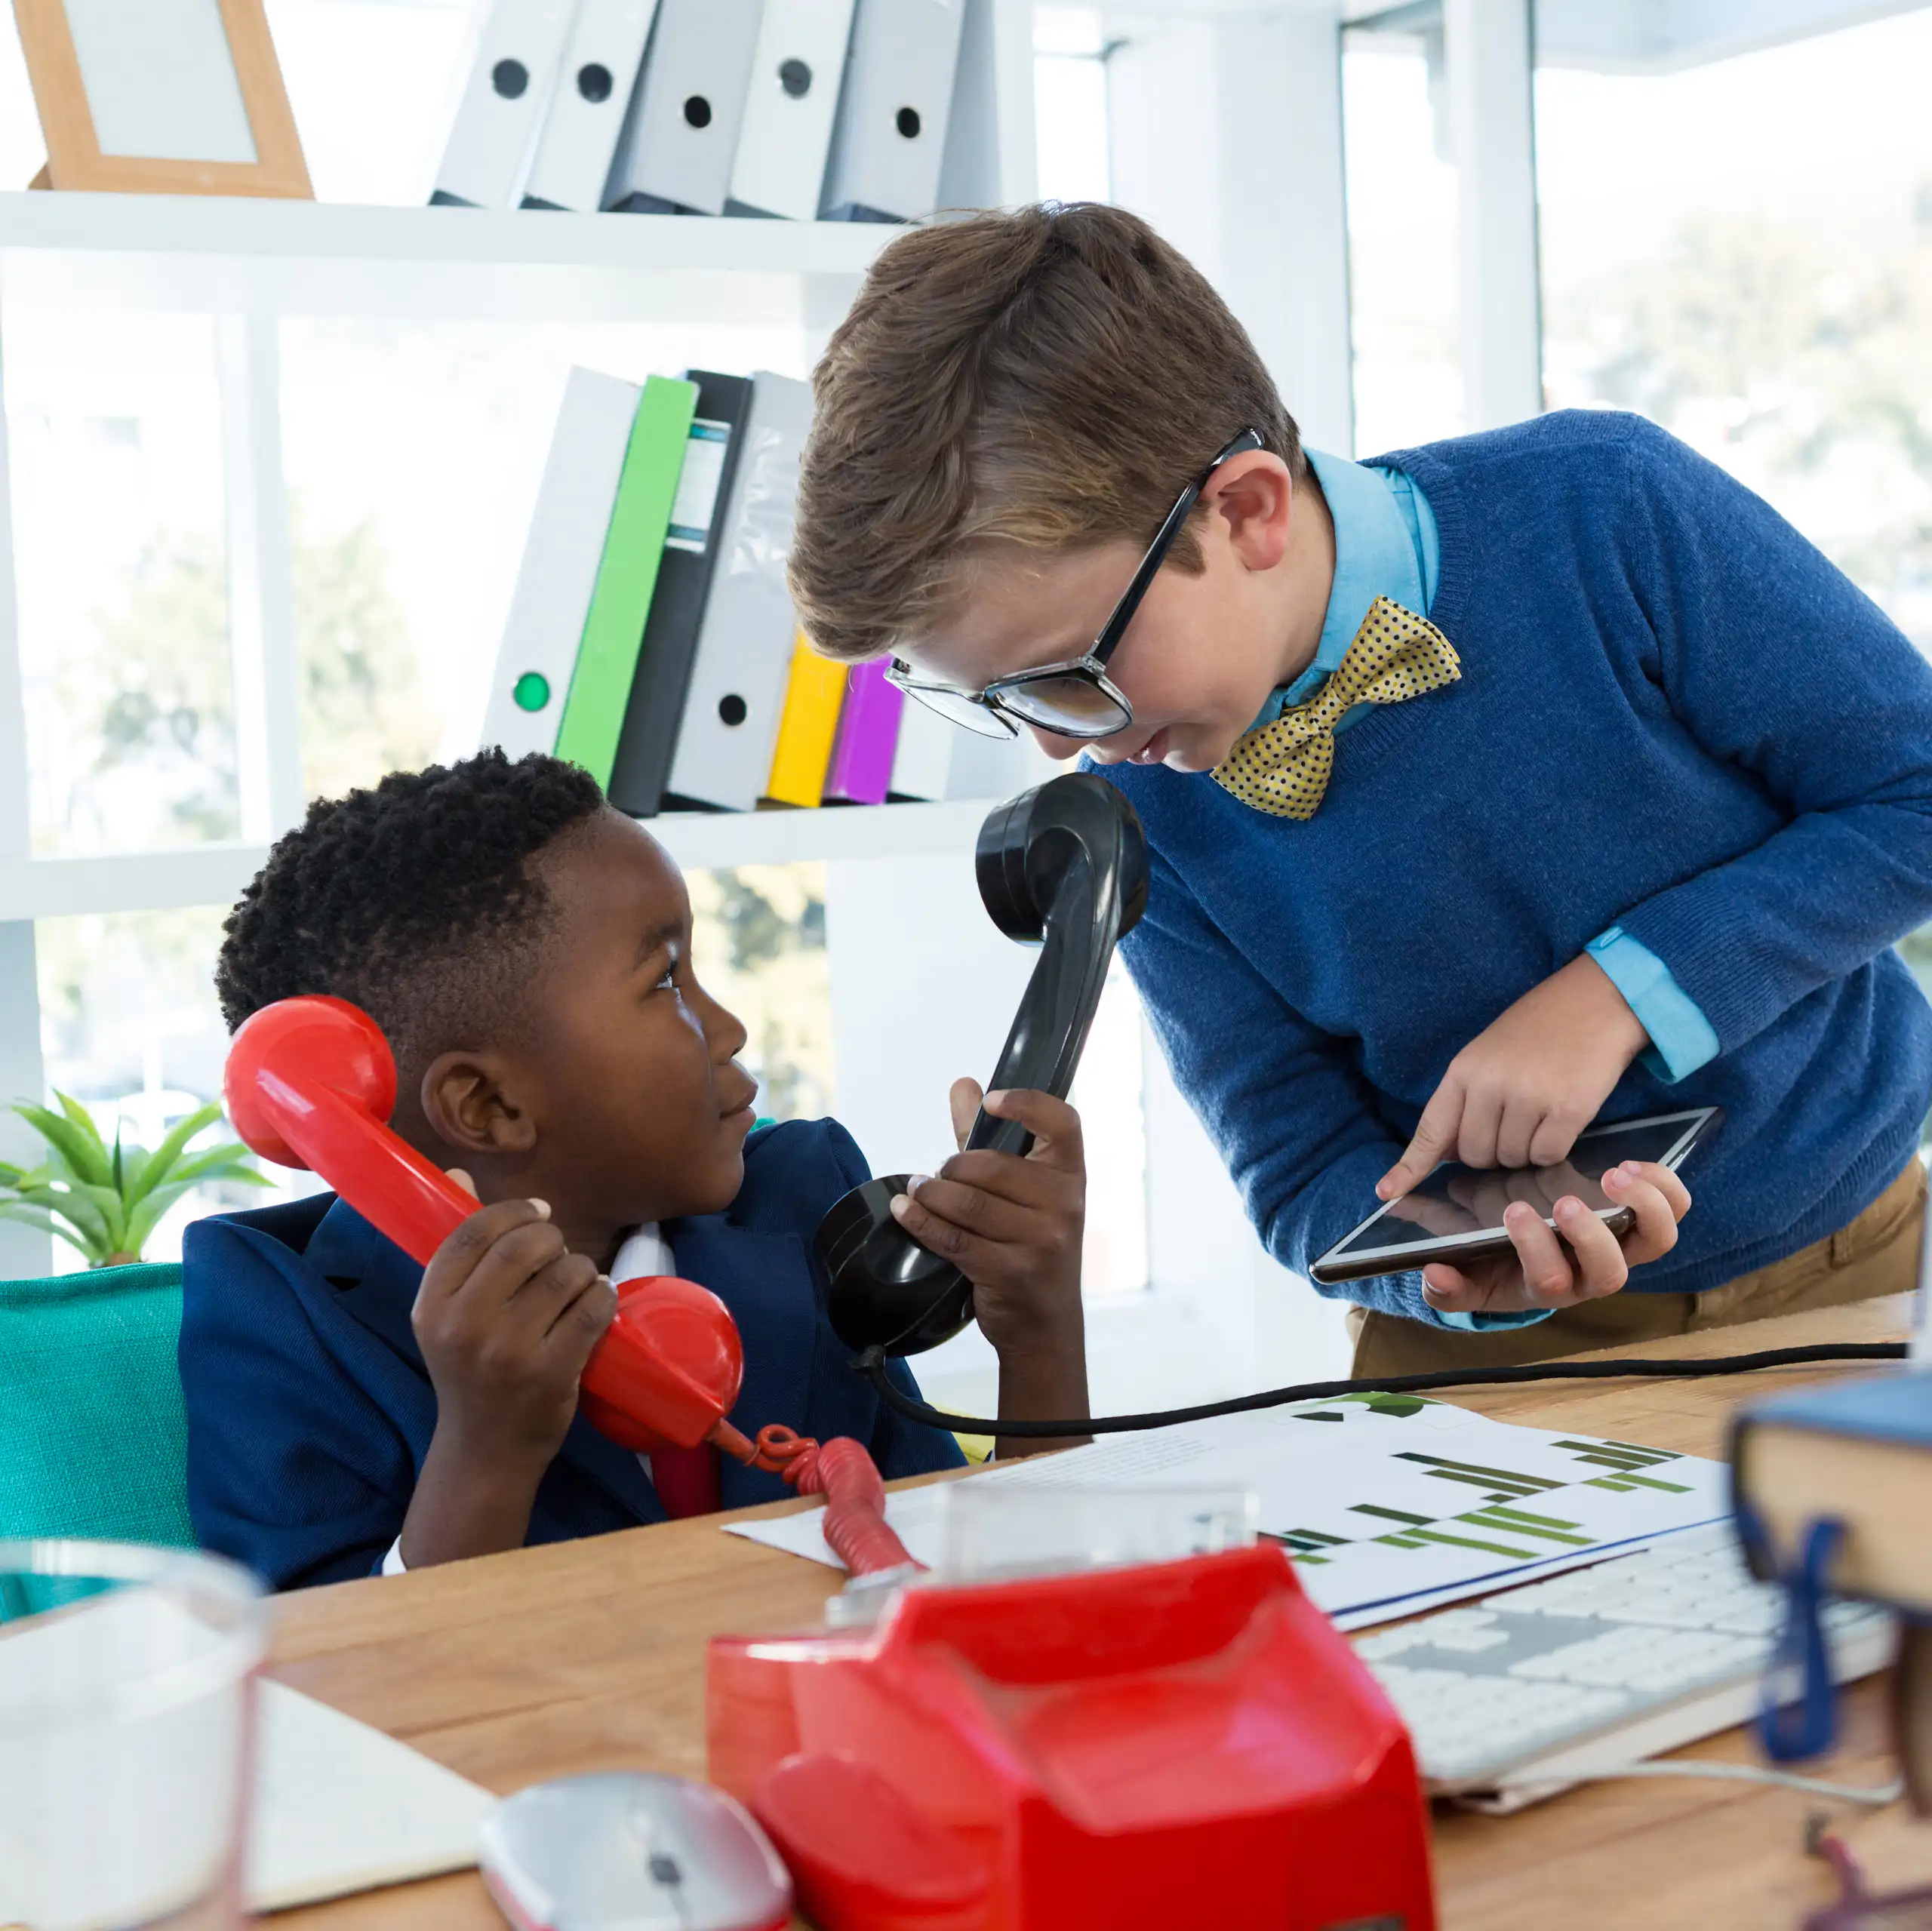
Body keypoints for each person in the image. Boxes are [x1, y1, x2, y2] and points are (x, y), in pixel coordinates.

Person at [786, 200, 1932, 1378]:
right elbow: (1291, 1156)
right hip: (1472, 1360)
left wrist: (1615, 995)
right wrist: (1448, 1280)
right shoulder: (1138, 796)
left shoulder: (1606, 508)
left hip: (1852, 1273)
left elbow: (1915, 792)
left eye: (1071, 676)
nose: (1055, 749)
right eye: (998, 701)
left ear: (1247, 511)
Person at [183, 751, 1090, 1588]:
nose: (727, 1027)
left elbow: (1006, 1604)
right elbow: (330, 1715)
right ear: (488, 1108)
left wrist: (1039, 1328)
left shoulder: (806, 1203)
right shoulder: (284, 1325)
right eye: (665, 982)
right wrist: (484, 1455)